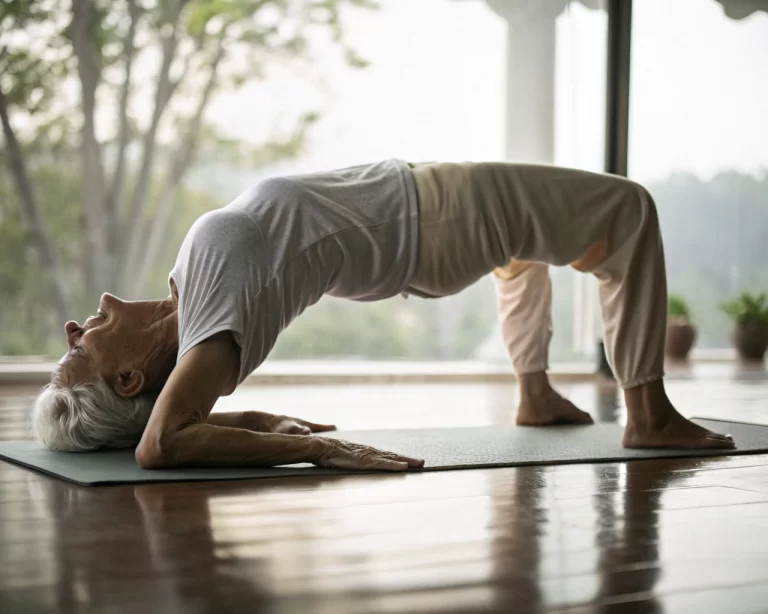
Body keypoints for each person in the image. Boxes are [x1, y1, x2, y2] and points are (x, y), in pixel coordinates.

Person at [32, 159, 735, 471]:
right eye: (78, 353)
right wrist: (315, 447)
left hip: (427, 224)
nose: (74, 328)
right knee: (627, 209)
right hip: (434, 217)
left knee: (524, 252)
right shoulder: (209, 330)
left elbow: (175, 423)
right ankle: (648, 413)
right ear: (128, 380)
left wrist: (252, 423)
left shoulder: (200, 307)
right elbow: (162, 442)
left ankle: (535, 393)